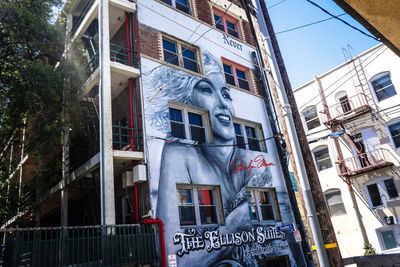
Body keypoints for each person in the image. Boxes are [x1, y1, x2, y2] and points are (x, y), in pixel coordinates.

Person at [147, 51, 272, 266]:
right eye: (206, 90)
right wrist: (234, 225)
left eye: (225, 93)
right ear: (189, 101)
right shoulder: (179, 154)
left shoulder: (254, 162)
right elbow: (173, 258)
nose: (223, 104)